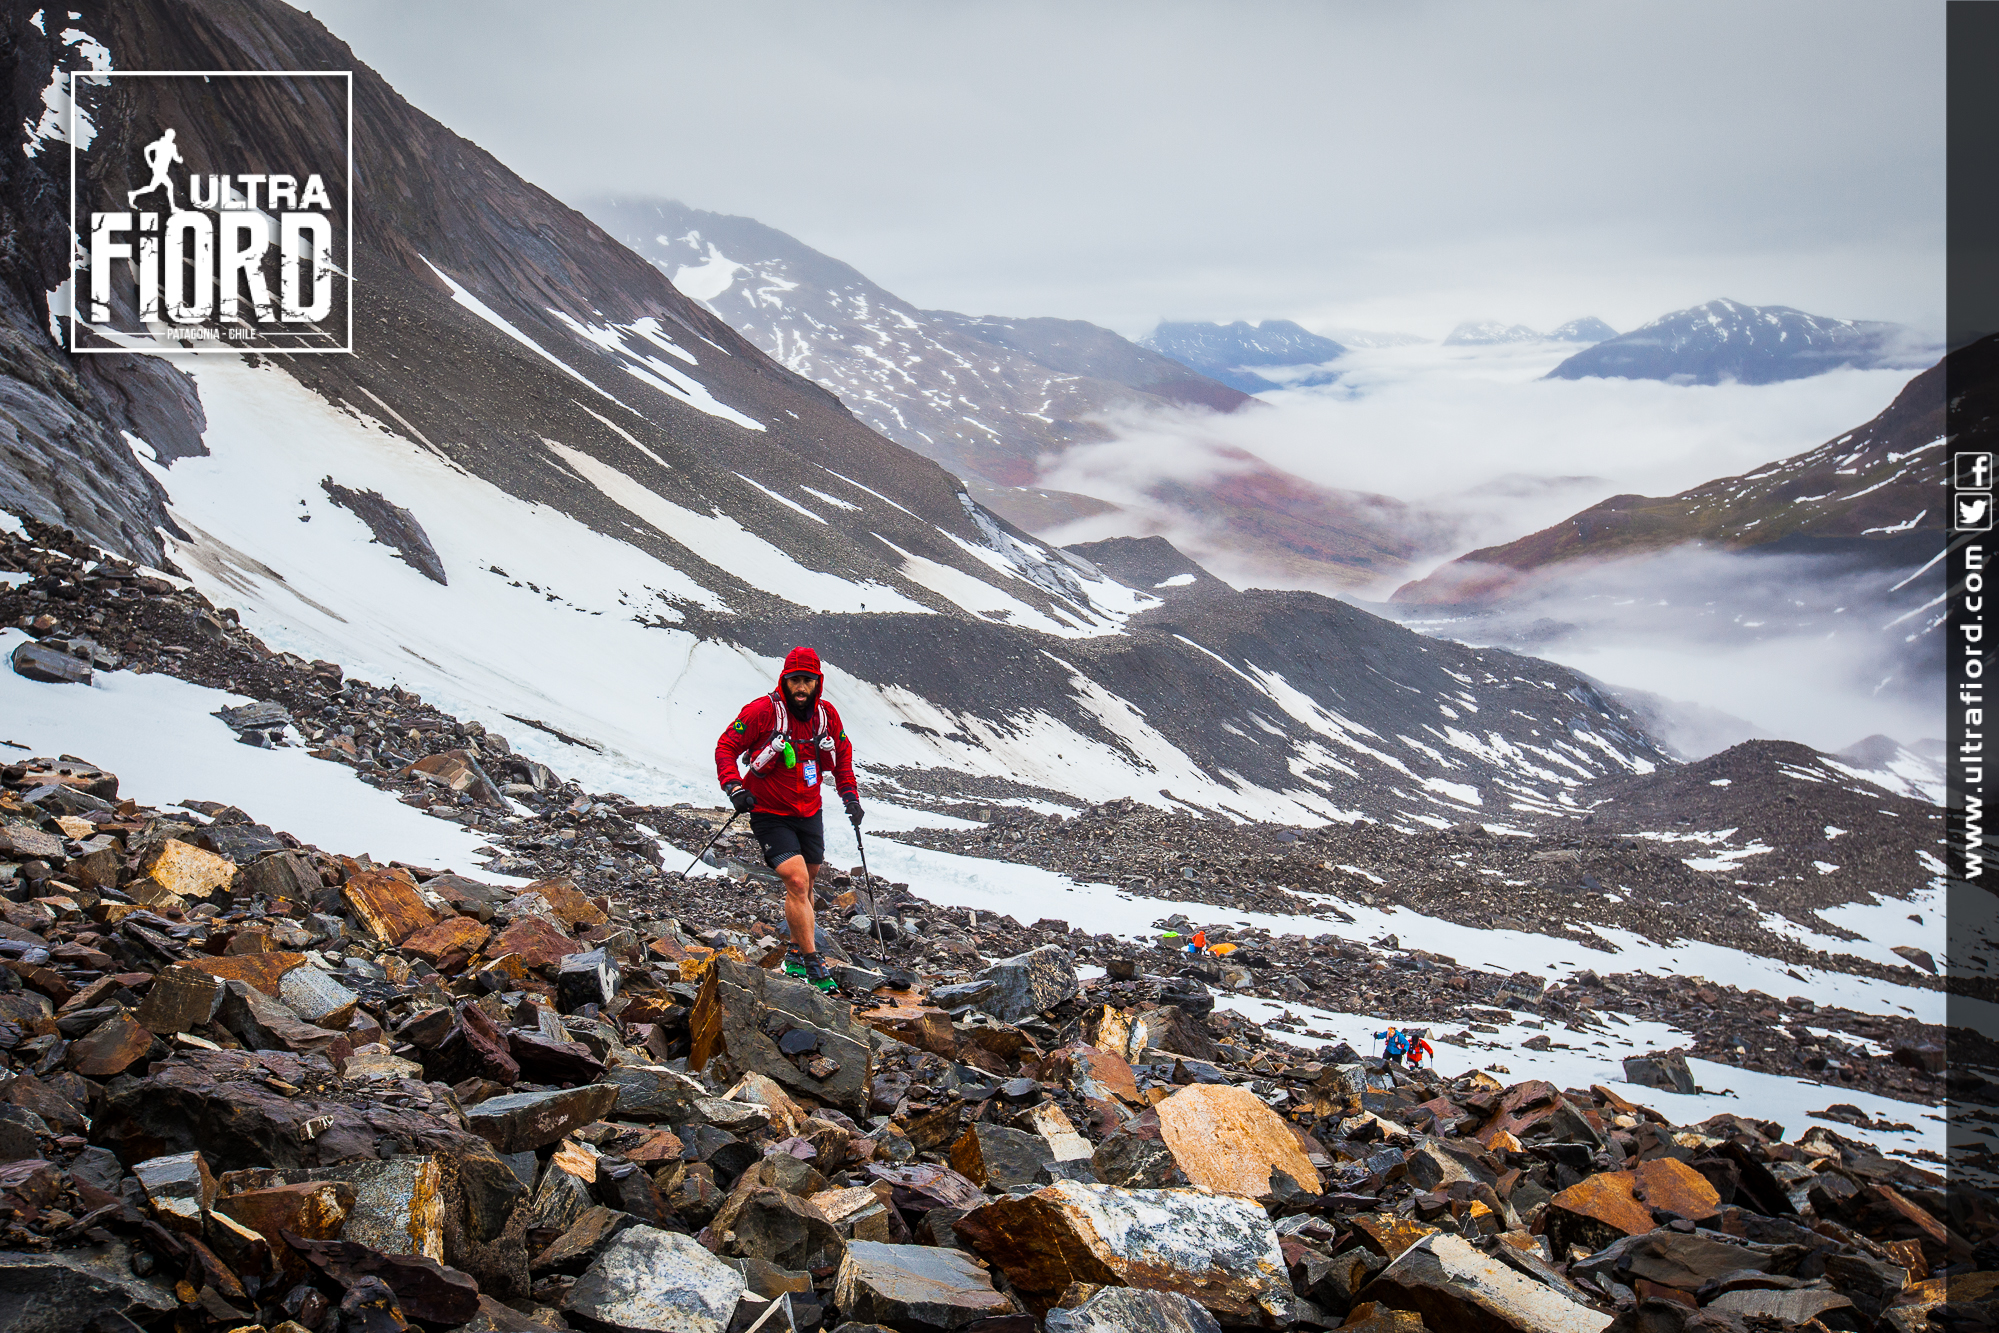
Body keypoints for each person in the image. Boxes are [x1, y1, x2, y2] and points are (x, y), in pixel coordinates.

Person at [714, 646, 860, 993]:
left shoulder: (826, 716)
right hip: (768, 812)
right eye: (795, 680)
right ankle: (814, 964)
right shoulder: (762, 711)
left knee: (806, 885)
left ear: (817, 682)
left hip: (809, 811)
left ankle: (793, 955)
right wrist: (734, 787)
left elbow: (842, 756)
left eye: (807, 680)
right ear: (784, 680)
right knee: (796, 881)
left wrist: (850, 796)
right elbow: (726, 747)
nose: (801, 687)